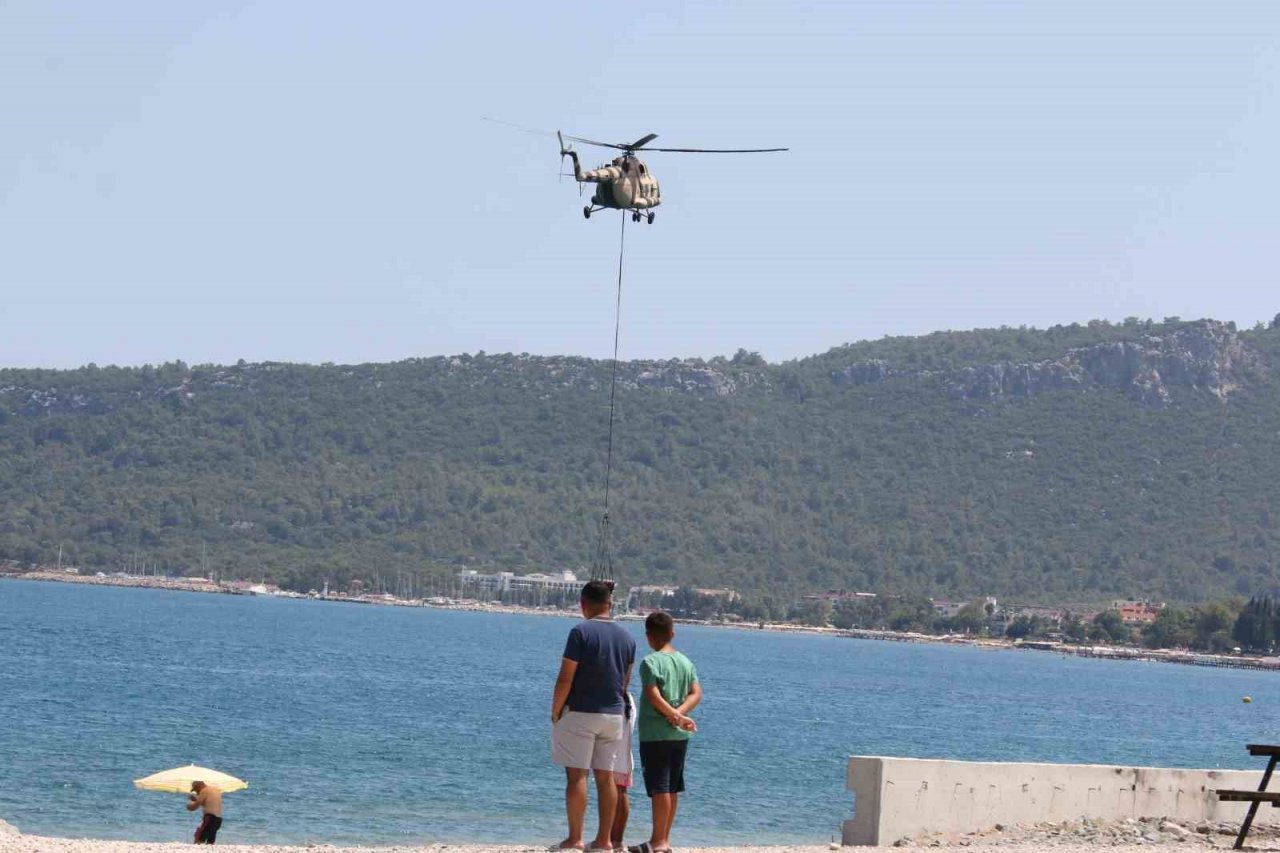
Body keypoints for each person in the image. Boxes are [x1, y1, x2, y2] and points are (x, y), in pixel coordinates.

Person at [551, 580, 637, 852]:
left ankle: (575, 839)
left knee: (577, 776)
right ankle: (604, 841)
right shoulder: (628, 638)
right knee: (606, 777)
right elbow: (624, 683)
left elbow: (566, 677)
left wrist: (555, 711)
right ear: (610, 604)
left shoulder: (580, 632)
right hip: (613, 715)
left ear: (583, 604)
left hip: (581, 712)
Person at [629, 611, 701, 853]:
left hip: (656, 733)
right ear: (672, 633)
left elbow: (653, 695)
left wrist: (673, 716)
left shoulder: (650, 662)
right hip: (679, 735)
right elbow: (696, 693)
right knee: (672, 786)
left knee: (660, 787)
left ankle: (658, 841)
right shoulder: (685, 661)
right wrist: (680, 716)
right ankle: (663, 839)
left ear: (648, 637)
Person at [186, 781, 223, 845]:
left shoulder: (204, 791)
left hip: (209, 818)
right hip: (218, 819)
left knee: (199, 838)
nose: (197, 792)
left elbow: (195, 806)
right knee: (210, 840)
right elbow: (208, 803)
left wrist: (189, 805)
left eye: (195, 789)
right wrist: (196, 799)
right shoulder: (216, 790)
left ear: (199, 786)